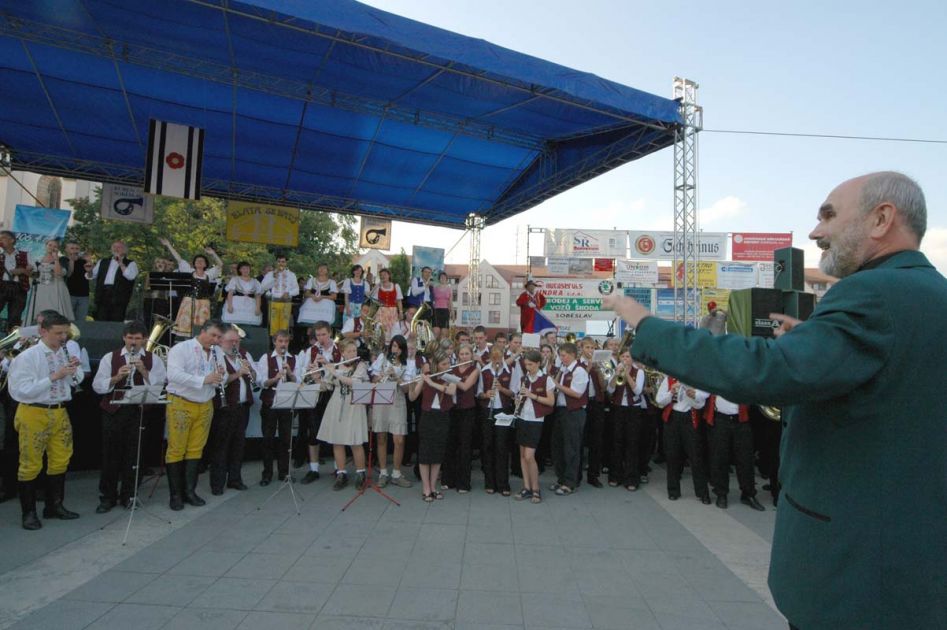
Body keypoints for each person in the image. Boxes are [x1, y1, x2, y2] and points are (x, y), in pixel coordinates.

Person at [606, 171, 947, 629]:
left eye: (829, 215)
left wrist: (644, 323)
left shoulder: (872, 293)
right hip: (911, 568)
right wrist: (815, 342)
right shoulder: (930, 295)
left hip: (855, 582)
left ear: (881, 219)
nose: (816, 232)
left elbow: (762, 370)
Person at [8, 312, 83, 530]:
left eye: (65, 333)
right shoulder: (27, 357)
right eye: (58, 333)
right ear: (43, 331)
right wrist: (54, 376)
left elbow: (75, 381)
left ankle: (54, 506)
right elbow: (20, 391)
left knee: (61, 459)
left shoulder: (64, 353)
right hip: (33, 412)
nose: (63, 338)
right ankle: (29, 513)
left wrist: (74, 370)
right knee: (30, 463)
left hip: (59, 410)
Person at [91, 320, 167, 513]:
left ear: (144, 340)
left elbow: (159, 385)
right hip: (114, 411)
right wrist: (117, 377)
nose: (133, 342)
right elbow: (98, 386)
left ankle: (129, 495)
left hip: (138, 411)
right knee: (110, 456)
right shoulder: (110, 357)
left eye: (138, 338)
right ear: (124, 338)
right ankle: (107, 497)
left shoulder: (153, 359)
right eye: (130, 338)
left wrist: (143, 370)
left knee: (134, 456)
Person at [164, 319, 225, 510]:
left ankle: (190, 492)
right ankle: (175, 495)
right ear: (203, 331)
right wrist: (204, 379)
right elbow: (173, 375)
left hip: (205, 403)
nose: (215, 340)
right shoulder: (181, 349)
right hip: (181, 402)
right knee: (176, 448)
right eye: (213, 335)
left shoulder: (218, 352)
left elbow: (219, 379)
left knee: (196, 448)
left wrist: (220, 377)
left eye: (219, 337)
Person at [317, 340, 370, 491]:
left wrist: (334, 372)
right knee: (337, 441)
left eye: (354, 351)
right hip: (336, 404)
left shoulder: (360, 366)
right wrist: (316, 377)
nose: (353, 354)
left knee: (355, 441)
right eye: (350, 351)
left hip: (354, 405)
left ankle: (361, 473)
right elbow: (326, 386)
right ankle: (341, 474)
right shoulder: (336, 366)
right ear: (343, 353)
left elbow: (354, 382)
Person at [208, 325, 255, 495]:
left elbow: (255, 378)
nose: (234, 344)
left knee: (238, 445)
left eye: (237, 341)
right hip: (224, 408)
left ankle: (235, 479)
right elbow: (219, 382)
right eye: (231, 341)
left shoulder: (244, 354)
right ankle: (217, 484)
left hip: (242, 407)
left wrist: (250, 370)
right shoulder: (215, 356)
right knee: (221, 446)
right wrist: (238, 373)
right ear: (221, 341)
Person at [409, 352, 457, 502]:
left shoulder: (450, 376)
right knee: (425, 453)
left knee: (438, 453)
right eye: (444, 364)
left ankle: (433, 487)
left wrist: (431, 383)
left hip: (442, 416)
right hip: (428, 417)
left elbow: (451, 391)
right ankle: (426, 488)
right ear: (436, 365)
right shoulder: (427, 375)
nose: (447, 366)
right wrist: (411, 384)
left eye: (448, 363)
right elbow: (412, 397)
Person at [296, 321, 340, 482]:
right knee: (313, 431)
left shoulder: (338, 349)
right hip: (316, 393)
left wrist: (327, 364)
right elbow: (301, 372)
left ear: (330, 333)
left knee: (335, 431)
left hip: (333, 392)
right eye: (318, 335)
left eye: (324, 334)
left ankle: (339, 468)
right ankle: (313, 469)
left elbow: (343, 371)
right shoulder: (310, 351)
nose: (321, 338)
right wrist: (309, 371)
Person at [369, 335, 414, 488]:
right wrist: (380, 376)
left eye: (399, 347)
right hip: (381, 397)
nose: (396, 350)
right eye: (394, 346)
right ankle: (383, 472)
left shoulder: (409, 364)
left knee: (399, 439)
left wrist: (396, 378)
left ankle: (396, 473)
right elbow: (373, 378)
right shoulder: (382, 358)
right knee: (381, 436)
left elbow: (407, 389)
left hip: (398, 399)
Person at [255, 329, 298, 486]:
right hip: (270, 403)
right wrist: (275, 378)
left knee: (286, 440)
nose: (283, 344)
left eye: (286, 341)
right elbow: (261, 382)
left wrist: (290, 373)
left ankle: (284, 472)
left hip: (287, 404)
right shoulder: (266, 358)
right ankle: (267, 474)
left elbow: (299, 381)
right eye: (280, 341)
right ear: (274, 342)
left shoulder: (294, 358)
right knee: (268, 439)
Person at [513, 350, 554, 504]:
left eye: (531, 365)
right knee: (523, 456)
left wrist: (532, 395)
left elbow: (551, 401)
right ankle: (526, 487)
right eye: (526, 365)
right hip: (522, 417)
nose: (528, 368)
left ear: (538, 363)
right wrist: (517, 400)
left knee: (530, 456)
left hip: (536, 420)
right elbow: (518, 397)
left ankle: (536, 488)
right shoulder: (524, 379)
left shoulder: (546, 379)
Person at [160, 240, 222, 336]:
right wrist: (168, 245)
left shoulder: (209, 274)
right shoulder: (189, 271)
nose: (199, 262)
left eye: (202, 261)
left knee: (201, 329)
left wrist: (213, 253)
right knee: (186, 329)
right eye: (197, 261)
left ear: (205, 264)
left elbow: (220, 265)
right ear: (194, 263)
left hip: (203, 304)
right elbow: (179, 259)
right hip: (189, 302)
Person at [549, 342, 587, 496]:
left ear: (572, 355)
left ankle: (570, 482)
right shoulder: (564, 369)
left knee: (571, 448)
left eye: (563, 355)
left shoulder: (579, 371)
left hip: (573, 412)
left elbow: (577, 393)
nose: (561, 358)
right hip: (561, 411)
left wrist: (557, 385)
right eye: (560, 355)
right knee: (558, 446)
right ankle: (562, 478)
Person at [441, 344, 479, 493]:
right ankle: (448, 480)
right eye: (461, 354)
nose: (464, 357)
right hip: (452, 409)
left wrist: (451, 378)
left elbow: (465, 386)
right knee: (450, 444)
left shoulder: (474, 370)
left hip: (467, 411)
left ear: (471, 355)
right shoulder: (453, 369)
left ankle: (463, 483)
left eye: (466, 354)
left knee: (465, 446)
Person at [605, 348, 645, 491]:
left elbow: (637, 391)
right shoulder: (614, 369)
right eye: (623, 357)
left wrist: (627, 374)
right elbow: (610, 390)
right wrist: (616, 375)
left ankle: (631, 478)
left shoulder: (638, 372)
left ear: (632, 359)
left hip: (633, 409)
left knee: (632, 443)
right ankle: (615, 476)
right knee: (616, 442)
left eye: (628, 357)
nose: (625, 359)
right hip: (618, 408)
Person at [478, 346, 514, 495]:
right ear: (490, 358)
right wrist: (486, 395)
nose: (497, 361)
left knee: (502, 446)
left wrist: (502, 388)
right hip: (488, 410)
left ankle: (503, 483)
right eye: (494, 358)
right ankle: (490, 482)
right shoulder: (484, 371)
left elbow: (513, 393)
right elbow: (479, 393)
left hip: (503, 411)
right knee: (487, 446)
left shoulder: (509, 370)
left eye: (499, 358)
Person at [87, 240, 138, 321]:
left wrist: (121, 263)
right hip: (103, 295)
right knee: (100, 319)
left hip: (119, 297)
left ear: (125, 250)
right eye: (114, 247)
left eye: (119, 247)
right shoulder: (102, 261)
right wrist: (89, 271)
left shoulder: (131, 263)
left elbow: (130, 276)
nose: (116, 249)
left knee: (116, 321)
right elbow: (91, 276)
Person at [26, 239, 74, 324]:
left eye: (55, 246)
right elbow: (34, 276)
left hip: (56, 288)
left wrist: (56, 259)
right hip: (41, 289)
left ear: (58, 249)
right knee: (39, 310)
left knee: (55, 311)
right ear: (46, 246)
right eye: (50, 245)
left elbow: (59, 273)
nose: (52, 247)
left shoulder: (62, 259)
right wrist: (29, 271)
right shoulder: (38, 260)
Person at [259, 255, 299, 336]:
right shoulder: (270, 274)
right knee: (273, 327)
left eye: (283, 262)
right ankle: (273, 343)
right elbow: (263, 287)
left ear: (286, 263)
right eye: (279, 261)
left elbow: (297, 290)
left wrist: (289, 293)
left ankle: (283, 343)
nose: (281, 263)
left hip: (286, 303)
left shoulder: (291, 275)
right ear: (276, 263)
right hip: (273, 302)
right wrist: (273, 278)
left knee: (284, 327)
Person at [0, 231, 32, 330]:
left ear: (12, 240)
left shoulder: (25, 255)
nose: (0, 240)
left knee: (15, 318)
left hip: (19, 287)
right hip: (1, 286)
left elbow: (35, 274)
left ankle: (12, 338)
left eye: (3, 238)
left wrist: (23, 270)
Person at [223, 261, 263, 326]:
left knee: (249, 324)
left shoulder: (255, 281)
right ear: (240, 270)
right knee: (234, 324)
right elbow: (230, 294)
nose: (245, 270)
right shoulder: (235, 279)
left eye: (247, 268)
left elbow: (258, 296)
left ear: (250, 269)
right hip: (236, 304)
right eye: (243, 268)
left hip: (251, 305)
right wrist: (229, 306)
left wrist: (258, 308)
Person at [299, 264, 338, 328]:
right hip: (311, 305)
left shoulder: (331, 282)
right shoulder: (311, 280)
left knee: (324, 326)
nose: (321, 269)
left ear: (327, 271)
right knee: (310, 327)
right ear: (317, 270)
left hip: (326, 307)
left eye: (324, 268)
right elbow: (306, 294)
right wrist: (312, 296)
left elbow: (334, 296)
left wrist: (322, 297)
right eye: (320, 268)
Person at [370, 268, 403, 340]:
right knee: (380, 330)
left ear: (389, 275)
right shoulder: (378, 287)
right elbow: (372, 299)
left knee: (393, 330)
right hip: (381, 312)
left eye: (385, 274)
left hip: (392, 312)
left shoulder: (396, 286)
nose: (383, 276)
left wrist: (401, 312)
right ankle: (381, 344)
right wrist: (376, 286)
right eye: (381, 275)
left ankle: (391, 344)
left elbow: (399, 300)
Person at [63, 242, 91, 322]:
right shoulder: (63, 260)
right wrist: (72, 261)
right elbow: (68, 274)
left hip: (84, 295)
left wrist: (89, 264)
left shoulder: (83, 261)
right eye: (72, 248)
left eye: (77, 249)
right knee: (68, 320)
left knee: (81, 321)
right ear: (66, 250)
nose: (75, 251)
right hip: (69, 294)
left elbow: (90, 276)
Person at [430, 271, 452, 337]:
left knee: (444, 332)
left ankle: (442, 343)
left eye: (444, 277)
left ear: (446, 279)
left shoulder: (449, 289)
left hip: (445, 311)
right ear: (439, 279)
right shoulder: (434, 288)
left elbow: (450, 301)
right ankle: (434, 343)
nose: (443, 278)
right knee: (436, 331)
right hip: (436, 311)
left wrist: (452, 313)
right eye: (441, 277)